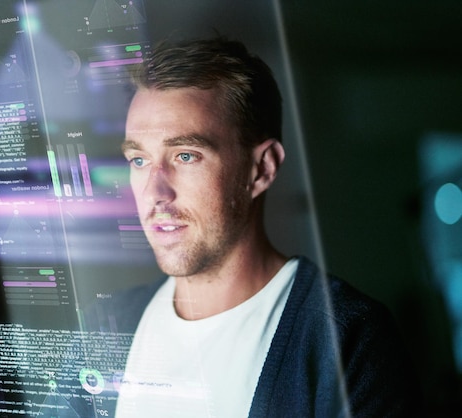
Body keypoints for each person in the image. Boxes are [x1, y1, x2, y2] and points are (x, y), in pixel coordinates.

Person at [76, 37, 421, 417]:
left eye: (186, 155)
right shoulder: (103, 328)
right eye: (139, 160)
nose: (154, 192)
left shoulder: (346, 339)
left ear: (262, 168)